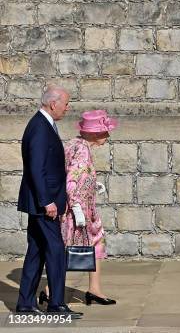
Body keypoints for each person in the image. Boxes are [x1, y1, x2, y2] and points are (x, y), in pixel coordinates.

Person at [16, 85, 82, 318]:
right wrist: (47, 202)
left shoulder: (44, 124)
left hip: (43, 202)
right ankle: (56, 303)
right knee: (55, 250)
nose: (67, 107)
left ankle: (25, 303)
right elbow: (36, 168)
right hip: (44, 204)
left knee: (36, 250)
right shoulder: (40, 128)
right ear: (53, 104)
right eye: (66, 103)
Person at [39, 110, 117, 306]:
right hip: (78, 211)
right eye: (104, 132)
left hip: (84, 207)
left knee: (95, 244)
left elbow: (74, 174)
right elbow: (71, 181)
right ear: (93, 133)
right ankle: (50, 291)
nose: (107, 136)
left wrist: (93, 186)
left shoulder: (75, 143)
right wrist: (77, 208)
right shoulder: (82, 150)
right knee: (69, 248)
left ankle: (94, 289)